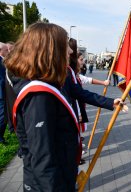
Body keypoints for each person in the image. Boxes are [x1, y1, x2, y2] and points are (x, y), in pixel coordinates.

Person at [4, 23, 81, 191]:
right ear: (50, 50)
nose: (70, 51)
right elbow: (43, 161)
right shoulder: (40, 97)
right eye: (65, 45)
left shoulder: (42, 86)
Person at [0, 42, 8, 143]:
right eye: (6, 50)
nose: (8, 52)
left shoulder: (3, 60)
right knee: (3, 116)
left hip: (4, 91)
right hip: (1, 92)